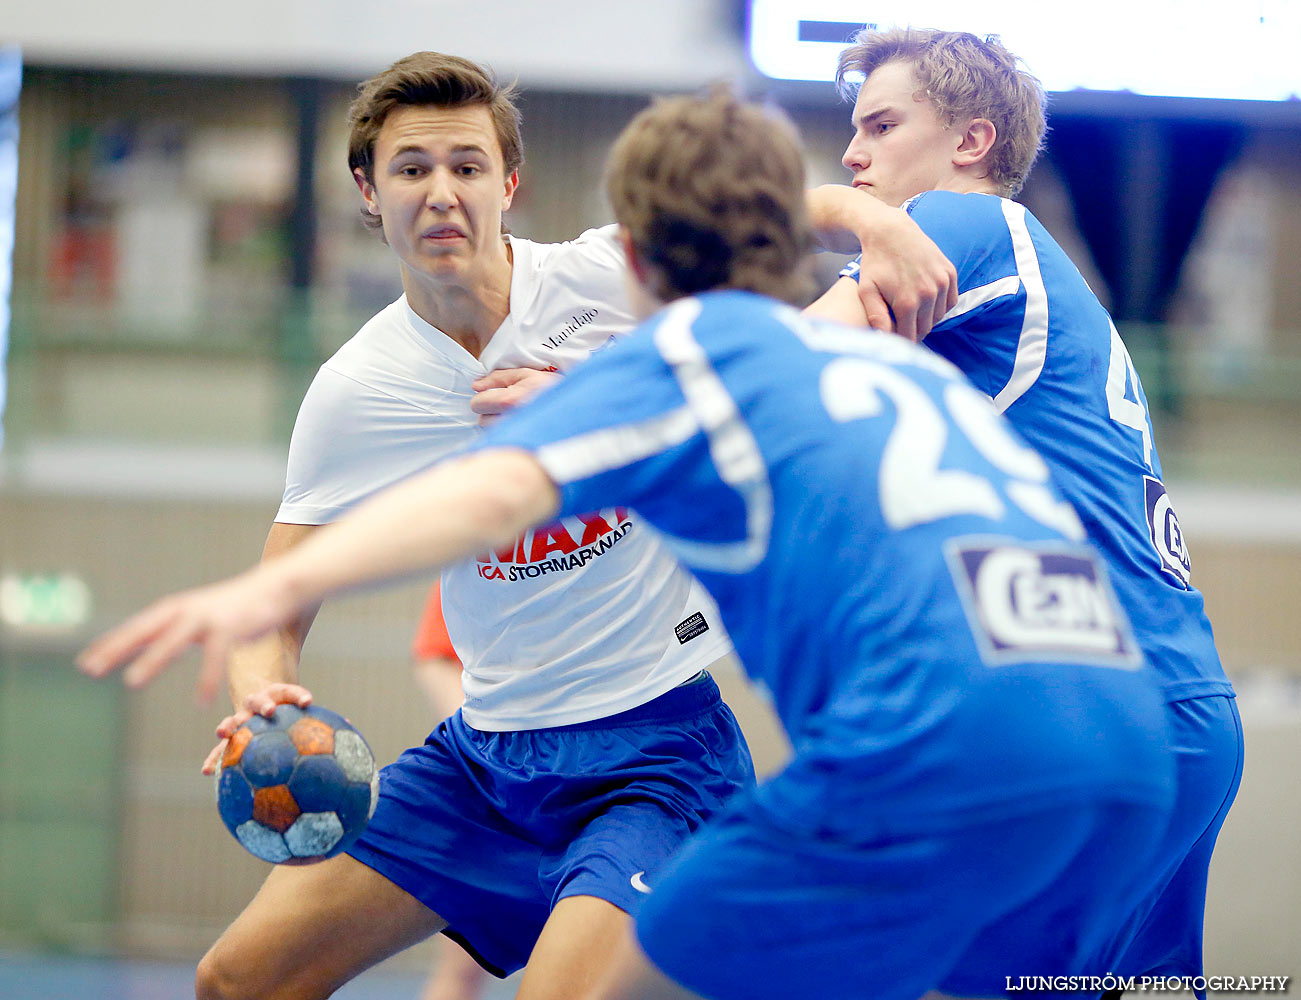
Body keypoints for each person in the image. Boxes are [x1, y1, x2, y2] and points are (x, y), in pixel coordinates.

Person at [81, 86, 1178, 1000]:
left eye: (467, 165)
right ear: (370, 194)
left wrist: (247, 594)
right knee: (239, 978)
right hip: (1121, 718)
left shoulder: (673, 348)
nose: (442, 192)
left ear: (634, 259)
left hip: (787, 746)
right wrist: (883, 217)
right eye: (412, 168)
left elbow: (490, 499)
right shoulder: (878, 364)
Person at [806, 27, 1243, 989]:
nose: (854, 152)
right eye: (853, 131)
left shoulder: (966, 225)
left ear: (968, 142)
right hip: (1182, 712)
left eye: (881, 124)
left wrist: (837, 209)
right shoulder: (1022, 275)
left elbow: (767, 375)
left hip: (1098, 720)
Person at [408, 581, 498, 1000]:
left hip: (606, 786)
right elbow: (434, 655)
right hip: (494, 795)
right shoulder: (480, 563)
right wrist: (490, 743)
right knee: (462, 971)